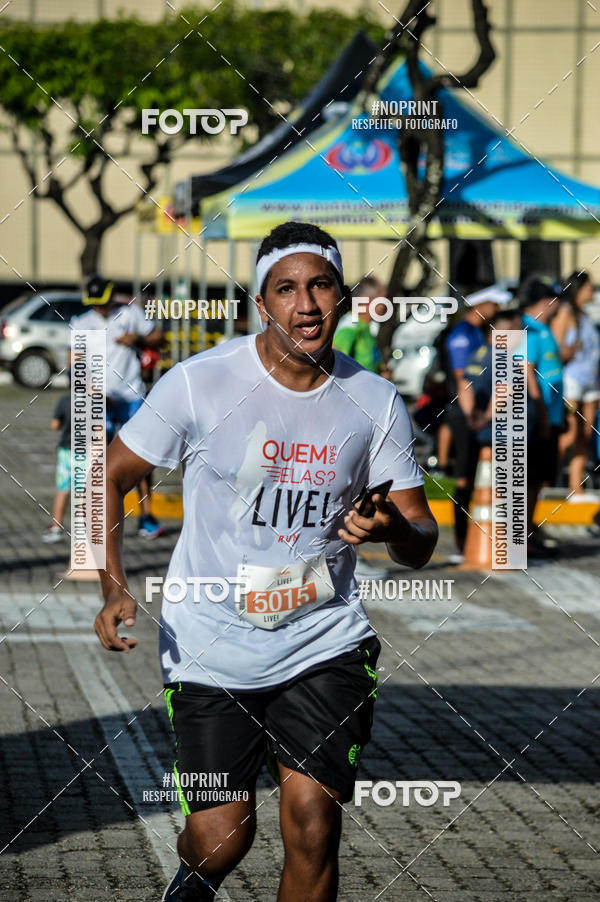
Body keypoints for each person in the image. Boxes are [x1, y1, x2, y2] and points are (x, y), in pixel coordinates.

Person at [93, 221, 438, 902]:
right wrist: (111, 586)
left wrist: (390, 523)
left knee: (313, 822)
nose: (305, 305)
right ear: (263, 303)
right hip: (210, 643)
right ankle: (191, 883)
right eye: (287, 289)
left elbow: (420, 538)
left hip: (323, 639)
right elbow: (109, 474)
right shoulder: (202, 383)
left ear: (341, 298)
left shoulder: (373, 399)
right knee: (222, 837)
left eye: (321, 287)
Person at [72, 275, 165, 538]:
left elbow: (159, 338)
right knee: (98, 456)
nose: (98, 308)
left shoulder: (131, 314)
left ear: (112, 295)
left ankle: (146, 515)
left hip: (131, 394)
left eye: (102, 303)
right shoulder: (81, 323)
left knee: (141, 457)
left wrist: (138, 338)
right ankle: (95, 515)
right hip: (99, 399)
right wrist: (90, 390)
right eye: (94, 304)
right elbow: (75, 364)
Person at [441, 285, 512, 562]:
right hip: (466, 414)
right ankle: (460, 543)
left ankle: (477, 539)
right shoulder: (462, 334)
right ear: (481, 304)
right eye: (495, 305)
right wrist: (473, 415)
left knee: (478, 479)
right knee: (465, 479)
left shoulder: (476, 333)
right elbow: (463, 379)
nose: (497, 311)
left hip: (478, 415)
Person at [520, 277, 565, 554]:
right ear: (546, 302)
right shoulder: (529, 329)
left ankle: (529, 529)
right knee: (531, 477)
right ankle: (522, 535)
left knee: (539, 479)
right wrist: (543, 416)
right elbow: (527, 371)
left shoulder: (543, 329)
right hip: (538, 417)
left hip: (551, 413)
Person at [551, 270, 600, 500]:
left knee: (586, 435)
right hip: (572, 380)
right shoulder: (565, 313)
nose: (593, 291)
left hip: (590, 381)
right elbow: (555, 348)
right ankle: (542, 478)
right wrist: (567, 352)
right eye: (589, 287)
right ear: (579, 289)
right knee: (569, 434)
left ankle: (576, 487)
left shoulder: (586, 316)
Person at [332, 275, 392, 377]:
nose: (388, 304)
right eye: (384, 299)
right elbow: (336, 370)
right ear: (369, 301)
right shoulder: (349, 328)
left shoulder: (367, 327)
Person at [42, 393, 72, 543]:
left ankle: (56, 525)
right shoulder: (95, 400)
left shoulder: (65, 400)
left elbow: (55, 425)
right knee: (84, 493)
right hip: (86, 453)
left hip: (66, 451)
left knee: (63, 489)